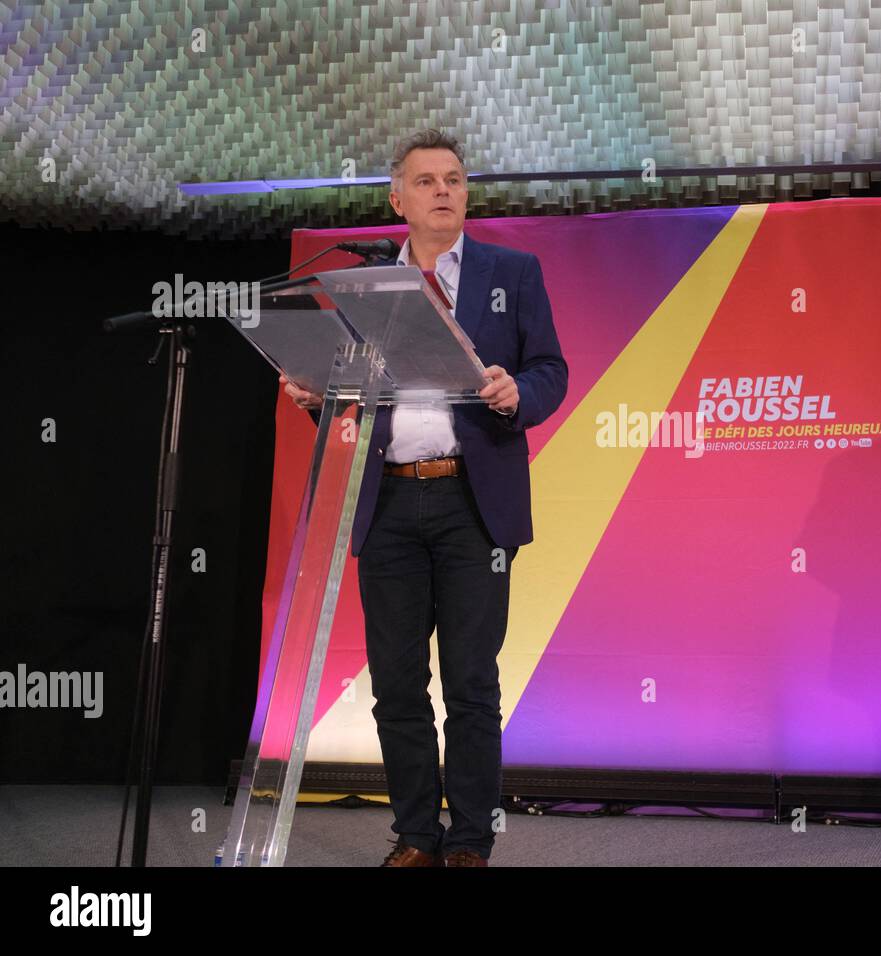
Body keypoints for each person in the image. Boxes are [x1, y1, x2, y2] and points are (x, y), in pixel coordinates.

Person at [280, 129, 567, 866]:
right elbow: (348, 388)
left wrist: (516, 392)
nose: (445, 190)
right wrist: (318, 394)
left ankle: (470, 841)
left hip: (474, 504)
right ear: (396, 198)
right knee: (398, 685)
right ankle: (415, 835)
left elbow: (551, 371)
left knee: (472, 681)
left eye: (455, 179)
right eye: (428, 180)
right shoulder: (365, 284)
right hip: (389, 508)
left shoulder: (514, 272)